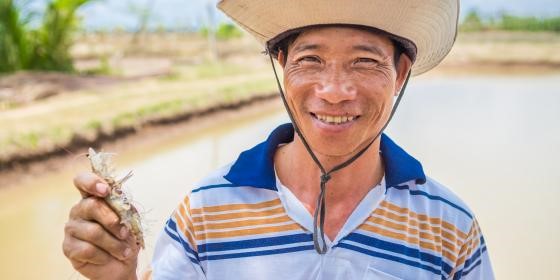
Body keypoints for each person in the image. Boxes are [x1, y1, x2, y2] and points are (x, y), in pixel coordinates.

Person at [63, 0, 495, 279]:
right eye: (311, 59)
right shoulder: (205, 212)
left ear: (400, 74)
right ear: (281, 65)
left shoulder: (450, 229)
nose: (334, 90)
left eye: (365, 61)